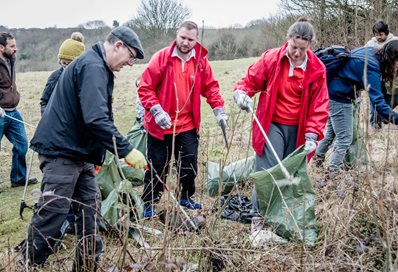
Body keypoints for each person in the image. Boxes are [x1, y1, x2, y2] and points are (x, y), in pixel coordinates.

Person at [20, 26, 147, 271]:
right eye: (131, 56)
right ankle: (27, 265)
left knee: (90, 210)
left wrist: (95, 153)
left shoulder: (99, 67)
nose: (131, 63)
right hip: (62, 153)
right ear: (118, 45)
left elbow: (92, 116)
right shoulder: (93, 67)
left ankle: (86, 265)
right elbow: (96, 119)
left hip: (80, 154)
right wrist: (126, 150)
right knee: (54, 212)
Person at [232, 18, 329, 212]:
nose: (297, 53)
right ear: (289, 39)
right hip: (272, 123)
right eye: (294, 47)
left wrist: (312, 134)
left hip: (299, 128)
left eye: (303, 49)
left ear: (310, 45)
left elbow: (319, 105)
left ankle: (280, 214)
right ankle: (258, 215)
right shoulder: (272, 59)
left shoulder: (317, 69)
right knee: (268, 170)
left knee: (289, 172)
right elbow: (250, 80)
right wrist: (241, 94)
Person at [138, 21, 227, 218]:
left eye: (190, 39)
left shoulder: (201, 61)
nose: (185, 42)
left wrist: (218, 109)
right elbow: (145, 88)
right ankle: (149, 202)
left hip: (187, 124)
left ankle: (186, 196)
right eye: (182, 38)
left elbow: (210, 87)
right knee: (157, 166)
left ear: (196, 39)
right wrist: (157, 110)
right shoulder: (161, 58)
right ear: (177, 35)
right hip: (160, 126)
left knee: (189, 164)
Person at [312, 40, 398, 173]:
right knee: (345, 138)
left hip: (331, 93)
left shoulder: (371, 52)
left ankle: (317, 162)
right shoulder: (371, 66)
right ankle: (332, 172)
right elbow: (379, 104)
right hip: (339, 97)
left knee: (331, 133)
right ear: (392, 58)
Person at [40, 32, 85, 236]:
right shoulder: (56, 77)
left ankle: (74, 220)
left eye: (70, 62)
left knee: (79, 183)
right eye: (63, 62)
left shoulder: (83, 77)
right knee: (59, 183)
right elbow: (44, 102)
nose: (66, 65)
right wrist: (50, 121)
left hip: (78, 140)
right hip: (57, 138)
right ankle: (59, 221)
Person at [0, 32, 38, 187]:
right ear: (1, 47)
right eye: (12, 46)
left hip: (12, 111)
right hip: (0, 112)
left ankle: (18, 178)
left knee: (22, 145)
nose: (16, 49)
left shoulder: (10, 59)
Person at [40, 32, 85, 114]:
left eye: (70, 64)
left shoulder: (87, 78)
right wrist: (47, 118)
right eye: (64, 63)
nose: (67, 67)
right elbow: (44, 102)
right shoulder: (54, 77)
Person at [365, 20, 398, 128]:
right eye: (376, 35)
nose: (378, 37)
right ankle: (375, 125)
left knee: (391, 99)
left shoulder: (394, 41)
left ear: (386, 32)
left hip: (391, 77)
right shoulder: (371, 44)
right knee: (375, 102)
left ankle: (386, 116)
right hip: (377, 76)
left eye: (381, 34)